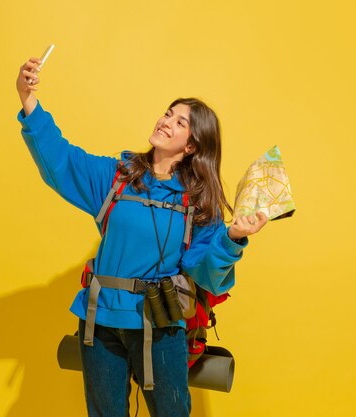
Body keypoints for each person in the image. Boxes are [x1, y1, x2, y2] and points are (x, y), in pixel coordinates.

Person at [16, 56, 268, 417]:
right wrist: (28, 101)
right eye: (168, 113)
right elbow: (62, 161)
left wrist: (231, 238)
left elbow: (207, 272)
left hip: (161, 325)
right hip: (99, 322)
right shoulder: (116, 178)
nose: (166, 121)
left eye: (180, 122)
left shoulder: (197, 203)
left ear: (192, 146)